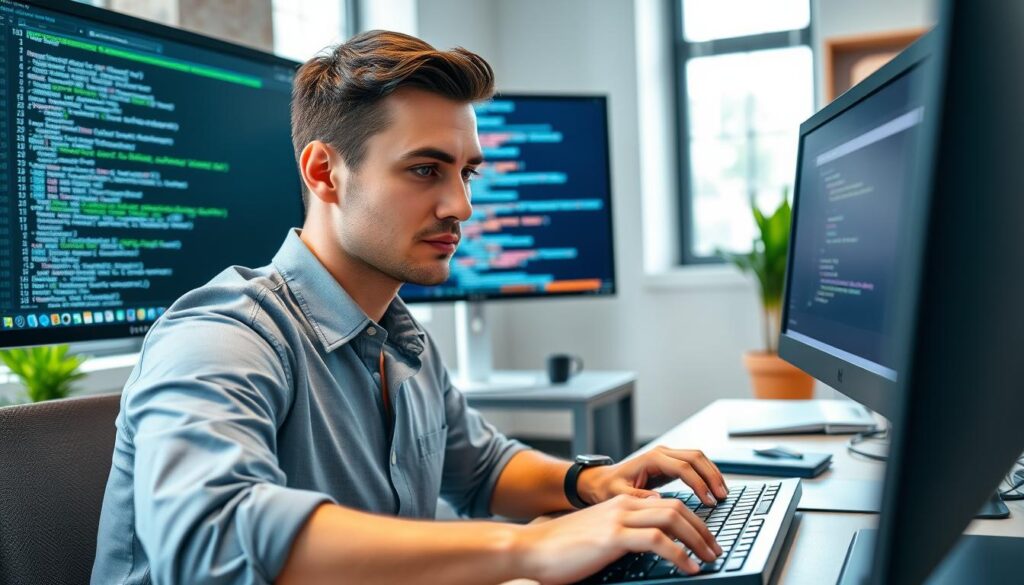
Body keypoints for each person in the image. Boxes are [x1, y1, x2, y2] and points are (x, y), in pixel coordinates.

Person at [91, 30, 728, 585]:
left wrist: (587, 483)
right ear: (324, 173)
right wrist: (531, 546)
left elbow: (481, 467)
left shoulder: (401, 338)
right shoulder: (221, 334)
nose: (461, 207)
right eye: (426, 170)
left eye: (466, 174)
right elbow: (212, 539)